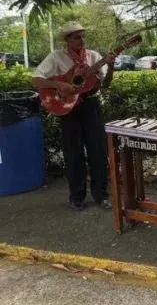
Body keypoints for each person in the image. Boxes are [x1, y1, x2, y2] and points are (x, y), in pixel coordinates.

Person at [31, 21, 115, 211]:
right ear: (67, 40)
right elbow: (36, 79)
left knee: (98, 152)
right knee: (73, 153)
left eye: (83, 35)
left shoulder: (93, 56)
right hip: (68, 108)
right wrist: (59, 85)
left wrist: (111, 66)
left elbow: (107, 83)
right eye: (77, 36)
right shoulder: (56, 58)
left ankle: (101, 195)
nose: (81, 40)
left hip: (91, 104)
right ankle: (77, 197)